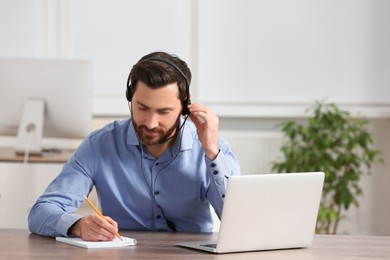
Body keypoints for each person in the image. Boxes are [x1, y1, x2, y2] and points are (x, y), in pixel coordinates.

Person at [28, 51, 240, 241]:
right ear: (131, 98)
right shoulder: (100, 145)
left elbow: (239, 222)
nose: (150, 123)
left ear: (186, 106)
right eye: (142, 108)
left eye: (163, 112)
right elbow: (41, 212)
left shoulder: (212, 147)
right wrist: (78, 225)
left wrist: (212, 153)